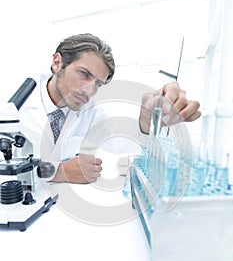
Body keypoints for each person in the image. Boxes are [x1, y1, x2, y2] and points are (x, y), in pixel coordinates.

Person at [20, 33, 201, 184]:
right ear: (57, 63)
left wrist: (147, 120)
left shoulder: (87, 111)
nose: (90, 91)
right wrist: (57, 172)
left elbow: (119, 136)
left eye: (98, 83)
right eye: (84, 74)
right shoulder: (14, 104)